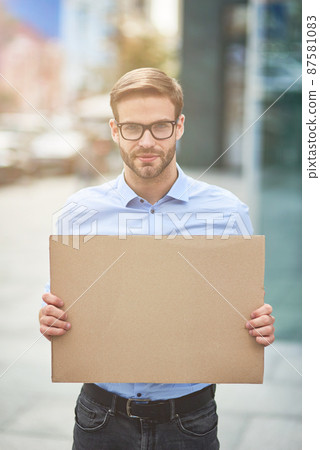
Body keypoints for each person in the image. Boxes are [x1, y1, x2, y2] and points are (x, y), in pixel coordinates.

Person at [39, 67, 275, 450]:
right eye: (132, 128)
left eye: (160, 126)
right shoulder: (78, 213)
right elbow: (60, 302)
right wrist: (50, 318)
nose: (147, 141)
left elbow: (241, 308)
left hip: (189, 421)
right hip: (100, 418)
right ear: (115, 131)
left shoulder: (227, 213)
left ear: (179, 126)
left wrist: (258, 324)